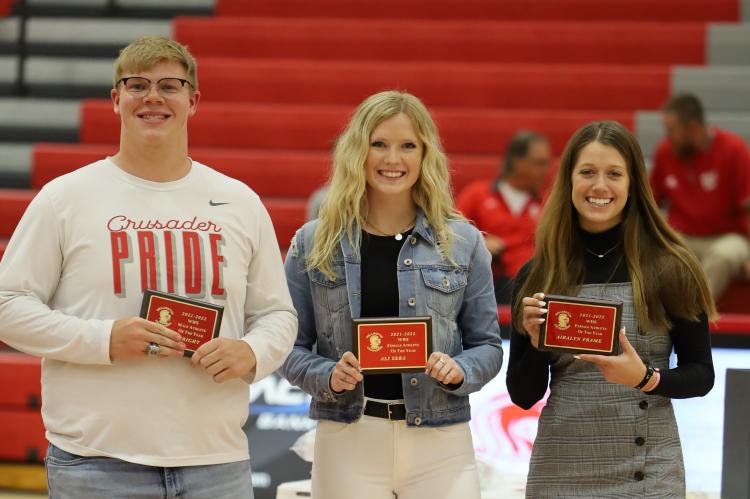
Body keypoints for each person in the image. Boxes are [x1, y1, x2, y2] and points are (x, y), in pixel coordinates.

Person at [0, 36, 297, 498]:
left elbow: (278, 314)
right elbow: (7, 305)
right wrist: (104, 340)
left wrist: (253, 352)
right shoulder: (65, 198)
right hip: (96, 463)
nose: (153, 97)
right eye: (137, 85)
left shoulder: (239, 202)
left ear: (193, 100)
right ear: (116, 100)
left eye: (169, 86)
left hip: (216, 463)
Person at [279, 90, 503, 499]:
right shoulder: (312, 242)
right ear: (356, 152)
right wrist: (327, 375)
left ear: (425, 154)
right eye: (378, 144)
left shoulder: (463, 242)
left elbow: (487, 346)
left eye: (407, 146)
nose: (392, 159)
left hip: (441, 440)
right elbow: (287, 347)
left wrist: (459, 371)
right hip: (348, 436)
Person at [506, 120, 715, 497]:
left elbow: (702, 374)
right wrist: (538, 346)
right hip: (560, 468)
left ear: (633, 183)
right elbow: (523, 396)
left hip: (649, 471)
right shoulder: (538, 273)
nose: (599, 186)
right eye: (587, 172)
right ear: (568, 180)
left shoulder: (672, 267)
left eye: (614, 174)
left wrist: (646, 378)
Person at [651, 93, 750, 301]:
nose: (667, 136)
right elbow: (650, 202)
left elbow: (747, 207)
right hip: (683, 235)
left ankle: (696, 316)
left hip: (727, 236)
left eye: (671, 130)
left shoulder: (734, 149)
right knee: (660, 254)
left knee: (724, 256)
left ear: (693, 128)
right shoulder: (664, 151)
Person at [456, 131, 551, 303]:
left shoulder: (547, 204)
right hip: (487, 281)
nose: (546, 170)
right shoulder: (477, 194)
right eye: (539, 163)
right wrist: (479, 242)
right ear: (518, 162)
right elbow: (451, 232)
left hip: (533, 285)